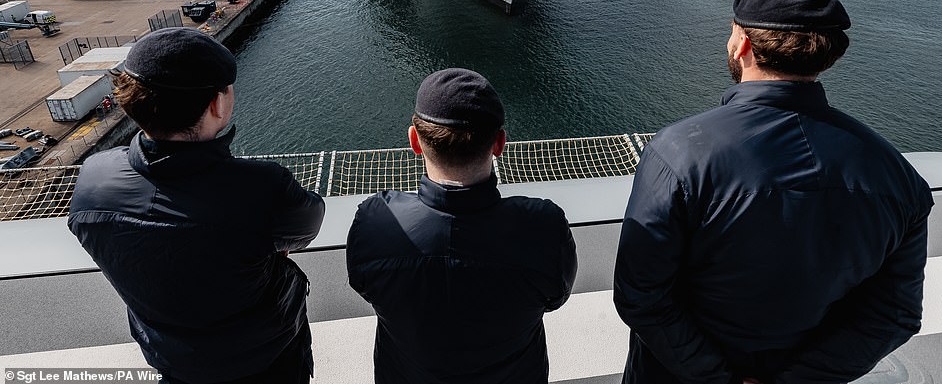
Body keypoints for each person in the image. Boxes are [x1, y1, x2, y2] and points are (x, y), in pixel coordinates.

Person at [613, 0, 933, 384]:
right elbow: (895, 313)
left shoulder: (679, 152)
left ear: (743, 45)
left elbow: (641, 296)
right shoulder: (895, 172)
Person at [68, 27, 325, 384]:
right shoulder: (262, 187)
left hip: (172, 361)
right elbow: (306, 227)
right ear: (217, 105)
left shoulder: (92, 180)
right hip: (265, 359)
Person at [346, 68, 578, 384]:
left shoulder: (374, 222)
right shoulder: (544, 228)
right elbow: (556, 296)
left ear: (415, 141)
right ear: (499, 143)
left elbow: (363, 284)